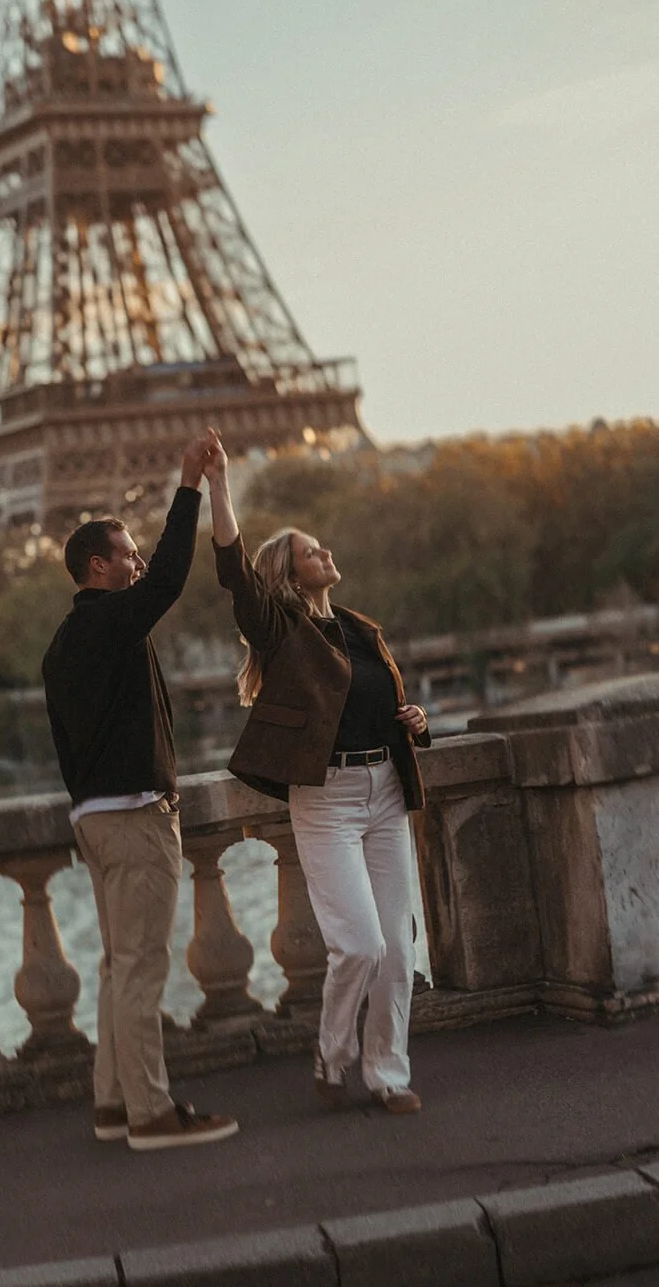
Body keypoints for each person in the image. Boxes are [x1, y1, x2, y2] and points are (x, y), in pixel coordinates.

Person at [204, 435, 430, 1114]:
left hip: (384, 788)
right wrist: (218, 484)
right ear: (290, 573)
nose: (324, 553)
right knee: (357, 945)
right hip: (327, 799)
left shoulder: (361, 631)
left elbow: (373, 705)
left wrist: (413, 719)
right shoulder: (281, 631)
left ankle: (387, 1074)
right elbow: (233, 573)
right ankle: (331, 1056)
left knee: (396, 950)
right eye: (310, 550)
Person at [41, 430, 239, 1152]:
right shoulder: (108, 622)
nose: (138, 563)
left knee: (116, 966)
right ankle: (151, 1114)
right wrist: (188, 484)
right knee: (142, 970)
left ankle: (112, 1104)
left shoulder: (65, 642)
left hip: (96, 819)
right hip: (132, 820)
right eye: (126, 554)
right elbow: (167, 582)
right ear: (99, 567)